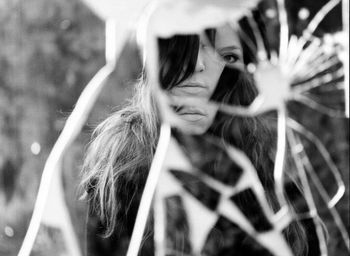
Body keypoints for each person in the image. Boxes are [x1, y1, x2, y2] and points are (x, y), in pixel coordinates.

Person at [80, 23, 314, 256]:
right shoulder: (122, 159)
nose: (200, 66)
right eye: (190, 46)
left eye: (228, 57)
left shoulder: (270, 167)